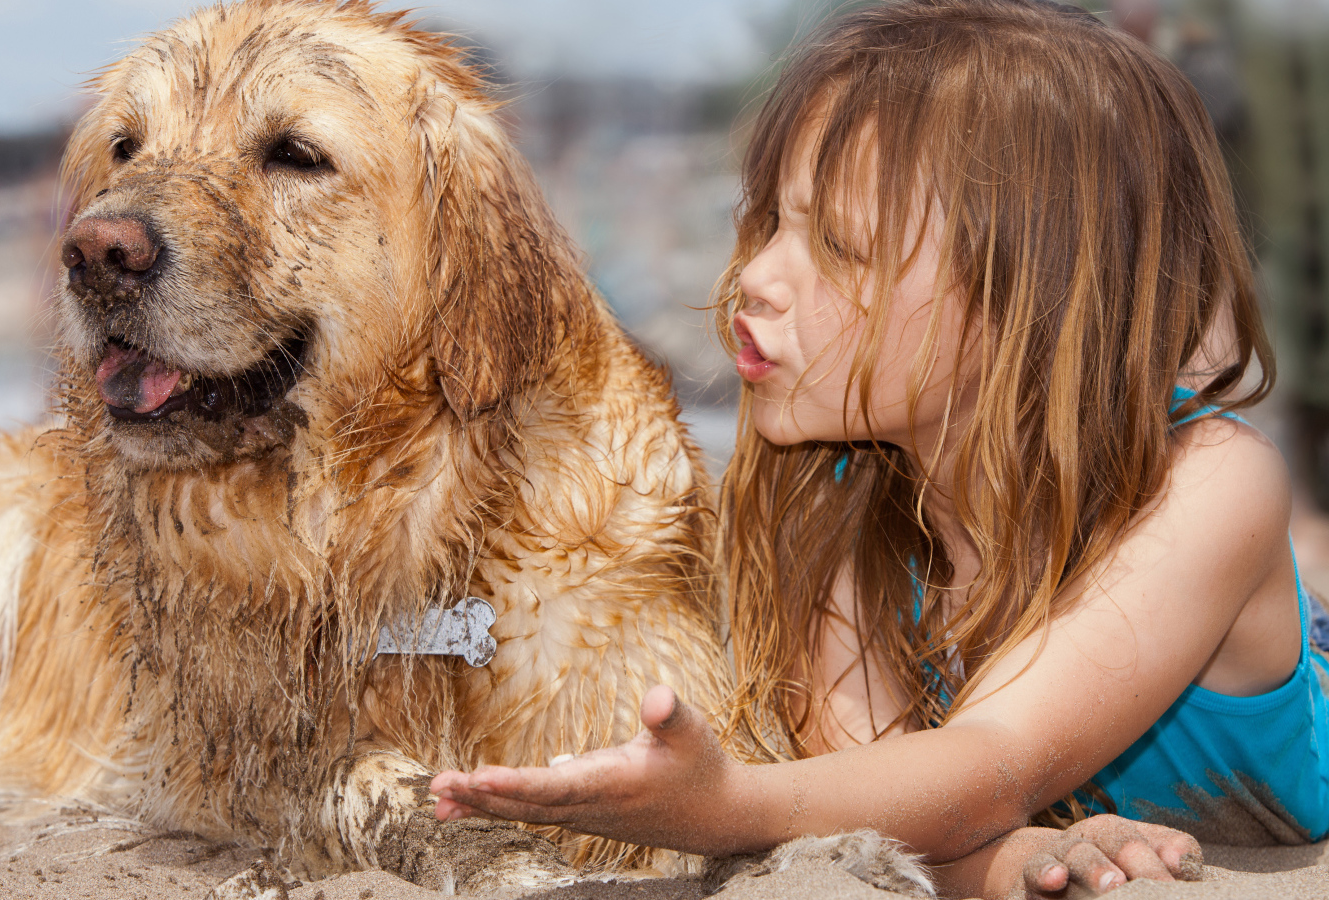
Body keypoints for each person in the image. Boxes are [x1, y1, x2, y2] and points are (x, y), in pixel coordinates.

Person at [431, 0, 1329, 896]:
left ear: (1031, 298)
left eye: (839, 246)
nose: (755, 276)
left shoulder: (1209, 481)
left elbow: (996, 760)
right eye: (771, 222)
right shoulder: (839, 492)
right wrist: (1011, 859)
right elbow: (878, 795)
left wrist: (723, 804)